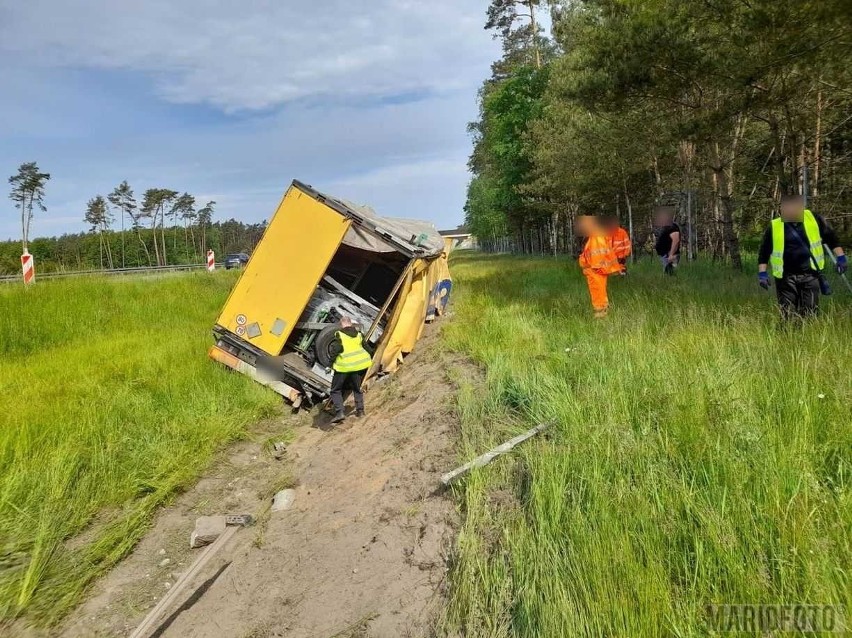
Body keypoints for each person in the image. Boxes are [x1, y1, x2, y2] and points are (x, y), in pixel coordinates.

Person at [757, 194, 847, 320]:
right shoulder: (775, 225)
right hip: (785, 277)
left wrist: (841, 258)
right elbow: (764, 251)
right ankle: (787, 336)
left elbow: (832, 239)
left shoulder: (814, 219)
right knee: (787, 313)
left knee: (810, 312)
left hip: (810, 275)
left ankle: (807, 336)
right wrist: (762, 273)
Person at [327, 317, 373, 423]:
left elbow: (335, 351)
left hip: (344, 367)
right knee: (357, 388)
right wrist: (372, 355)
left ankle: (340, 413)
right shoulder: (359, 334)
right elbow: (368, 348)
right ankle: (360, 411)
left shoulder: (340, 335)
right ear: (350, 324)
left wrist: (329, 365)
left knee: (335, 390)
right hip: (358, 366)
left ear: (342, 324)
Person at [577, 215, 624, 318]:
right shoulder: (596, 235)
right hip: (595, 270)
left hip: (595, 270)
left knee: (597, 293)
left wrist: (596, 267)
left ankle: (600, 315)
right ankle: (603, 312)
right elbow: (607, 252)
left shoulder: (596, 236)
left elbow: (597, 254)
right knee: (600, 292)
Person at [654, 210, 681, 275]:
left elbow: (676, 240)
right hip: (665, 255)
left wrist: (671, 254)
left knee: (670, 273)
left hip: (669, 254)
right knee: (667, 273)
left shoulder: (672, 227)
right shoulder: (667, 227)